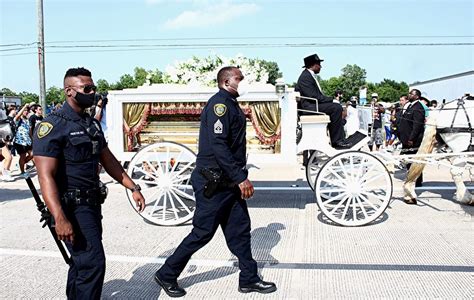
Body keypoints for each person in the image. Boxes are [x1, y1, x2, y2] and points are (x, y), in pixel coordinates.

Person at [154, 66, 276, 297]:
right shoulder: (219, 105)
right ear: (227, 81)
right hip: (214, 182)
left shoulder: (230, 103)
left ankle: (249, 279)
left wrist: (237, 177)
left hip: (227, 181)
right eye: (240, 78)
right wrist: (241, 178)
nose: (244, 82)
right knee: (202, 233)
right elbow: (219, 145)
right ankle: (167, 273)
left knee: (240, 230)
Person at [32, 67, 146, 299]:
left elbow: (108, 159)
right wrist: (60, 217)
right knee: (93, 264)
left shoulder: (90, 123)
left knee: (82, 263)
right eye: (88, 88)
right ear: (69, 92)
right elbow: (46, 176)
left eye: (93, 87)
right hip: (70, 207)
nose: (93, 92)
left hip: (91, 205)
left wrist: (132, 186)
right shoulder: (52, 127)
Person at [295, 53, 350, 148]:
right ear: (313, 65)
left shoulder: (308, 75)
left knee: (336, 107)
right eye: (319, 64)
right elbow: (314, 96)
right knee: (336, 108)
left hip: (312, 105)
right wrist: (332, 100)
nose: (321, 67)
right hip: (309, 107)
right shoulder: (305, 77)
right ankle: (337, 141)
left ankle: (339, 136)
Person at [399, 88, 426, 195]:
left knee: (415, 160)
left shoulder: (418, 107)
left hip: (412, 140)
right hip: (406, 138)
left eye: (411, 94)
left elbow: (417, 126)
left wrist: (411, 138)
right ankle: (411, 178)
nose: (409, 95)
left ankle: (417, 181)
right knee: (408, 160)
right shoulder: (411, 106)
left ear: (417, 96)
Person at [13, 103, 33, 178]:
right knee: (22, 156)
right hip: (20, 141)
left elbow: (30, 132)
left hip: (27, 141)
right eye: (24, 110)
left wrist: (32, 140)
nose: (26, 112)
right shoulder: (19, 119)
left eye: (27, 111)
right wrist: (24, 106)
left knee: (32, 154)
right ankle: (22, 171)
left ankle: (21, 164)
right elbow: (17, 116)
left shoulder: (28, 120)